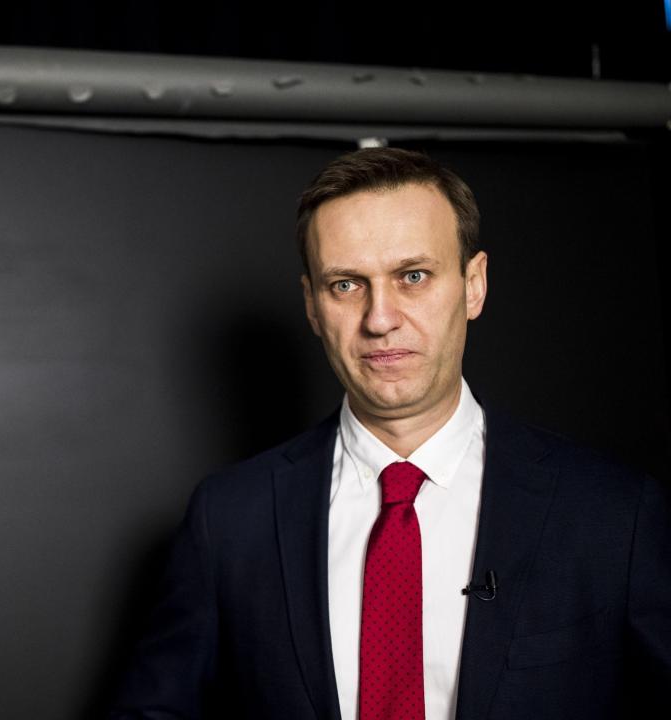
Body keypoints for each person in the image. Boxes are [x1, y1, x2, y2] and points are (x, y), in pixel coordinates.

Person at [108, 148, 670, 719]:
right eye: (347, 285)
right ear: (311, 304)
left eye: (413, 276)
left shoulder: (613, 515)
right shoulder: (229, 519)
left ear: (473, 285)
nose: (380, 318)